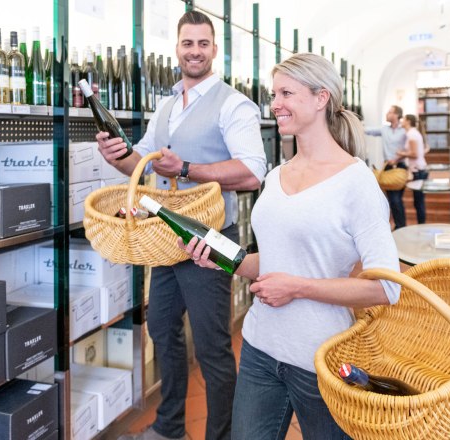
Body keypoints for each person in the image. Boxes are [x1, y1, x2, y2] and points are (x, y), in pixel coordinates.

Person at [179, 53, 400, 440]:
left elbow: (387, 287)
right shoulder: (277, 175)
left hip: (321, 361)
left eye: (286, 93)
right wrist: (223, 261)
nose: (275, 103)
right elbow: (277, 262)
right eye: (273, 93)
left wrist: (297, 287)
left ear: (321, 98)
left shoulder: (356, 183)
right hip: (259, 349)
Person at [97, 10, 268, 440]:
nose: (195, 51)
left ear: (215, 50)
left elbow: (252, 173)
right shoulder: (169, 105)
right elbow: (144, 163)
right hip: (165, 237)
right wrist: (116, 155)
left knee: (212, 347)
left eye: (203, 44)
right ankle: (171, 427)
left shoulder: (234, 104)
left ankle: (220, 435)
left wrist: (189, 167)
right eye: (187, 43)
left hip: (210, 240)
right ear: (176, 49)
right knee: (162, 331)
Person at [365, 105, 407, 229]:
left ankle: (400, 226)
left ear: (397, 115)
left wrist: (399, 158)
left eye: (390, 112)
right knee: (393, 200)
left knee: (396, 200)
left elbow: (412, 147)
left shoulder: (405, 130)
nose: (387, 114)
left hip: (400, 166)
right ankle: (399, 226)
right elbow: (369, 130)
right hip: (388, 167)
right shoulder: (384, 129)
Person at [395, 114, 429, 224]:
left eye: (403, 119)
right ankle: (421, 225)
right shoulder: (413, 133)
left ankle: (422, 226)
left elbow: (414, 154)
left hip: (418, 171)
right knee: (418, 202)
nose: (401, 121)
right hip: (419, 169)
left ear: (408, 121)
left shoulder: (411, 134)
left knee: (419, 203)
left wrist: (401, 153)